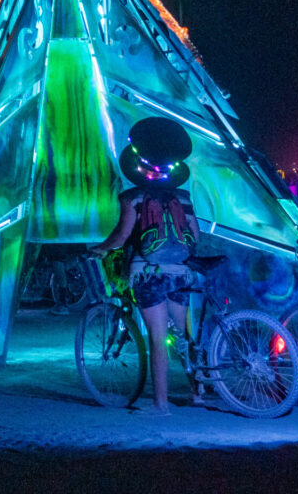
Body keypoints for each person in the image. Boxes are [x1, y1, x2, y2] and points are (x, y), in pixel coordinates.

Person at [90, 117, 199, 416]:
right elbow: (195, 236)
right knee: (182, 334)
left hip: (148, 272)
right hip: (181, 271)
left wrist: (100, 249)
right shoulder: (183, 197)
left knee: (156, 336)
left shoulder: (132, 197)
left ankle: (161, 403)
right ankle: (197, 391)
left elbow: (122, 236)